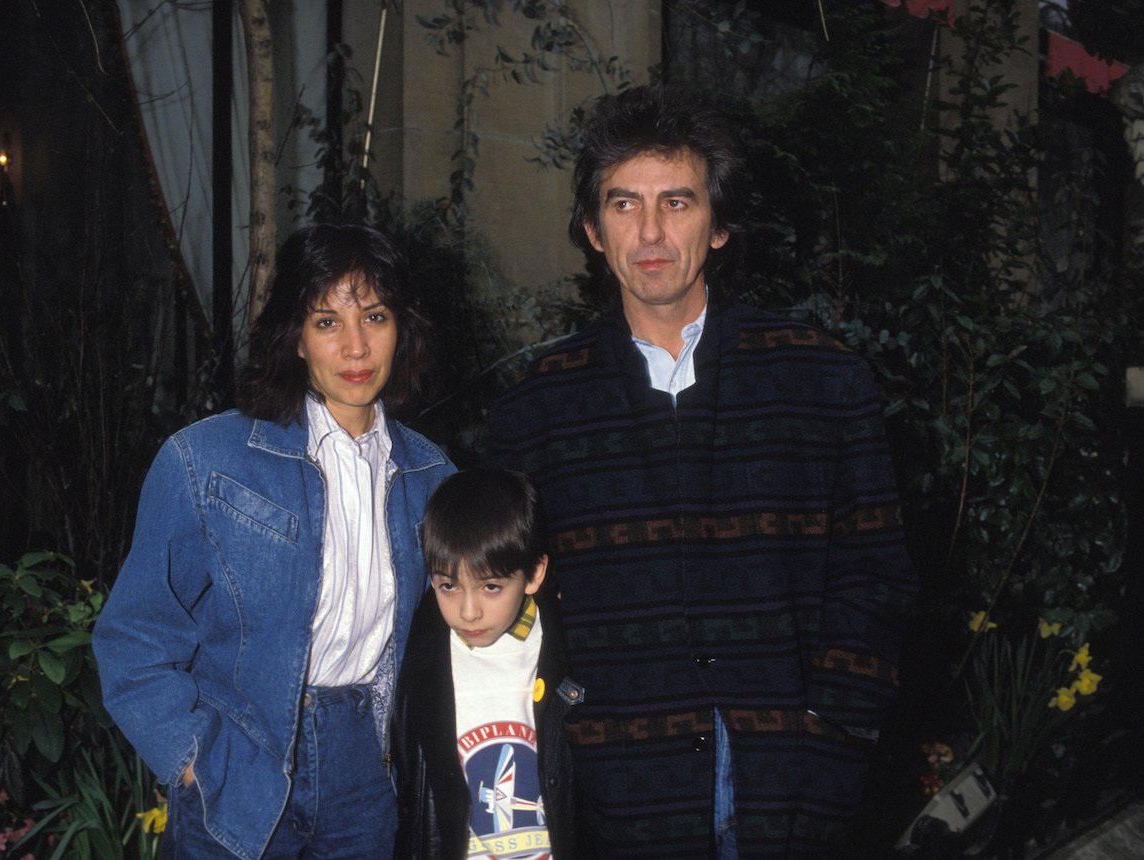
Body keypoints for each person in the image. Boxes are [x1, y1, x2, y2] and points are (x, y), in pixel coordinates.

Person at [487, 85, 918, 858]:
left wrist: (839, 728)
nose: (651, 232)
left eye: (678, 203)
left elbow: (875, 569)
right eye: (625, 205)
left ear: (718, 225)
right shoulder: (536, 406)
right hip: (618, 792)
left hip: (792, 786)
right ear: (592, 229)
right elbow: (512, 598)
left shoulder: (822, 380)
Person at [93, 223, 456, 860]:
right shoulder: (205, 460)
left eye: (374, 315)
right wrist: (191, 759)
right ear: (294, 337)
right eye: (326, 322)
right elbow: (135, 634)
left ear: (403, 328)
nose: (355, 345)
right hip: (239, 761)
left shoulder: (432, 478)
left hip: (367, 775)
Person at [392, 468, 582, 859]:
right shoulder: (419, 663)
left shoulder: (568, 654)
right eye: (448, 586)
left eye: (491, 587)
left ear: (534, 574)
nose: (468, 611)